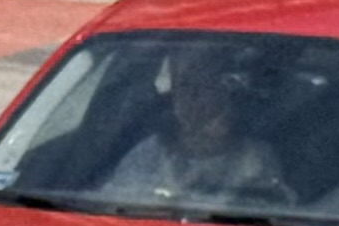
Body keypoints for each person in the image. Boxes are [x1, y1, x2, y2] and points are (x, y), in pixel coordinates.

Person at [102, 50, 291, 203]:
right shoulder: (148, 154)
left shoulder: (255, 159)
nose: (192, 96)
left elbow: (272, 211)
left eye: (204, 85)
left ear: (223, 91)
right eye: (184, 85)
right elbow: (113, 206)